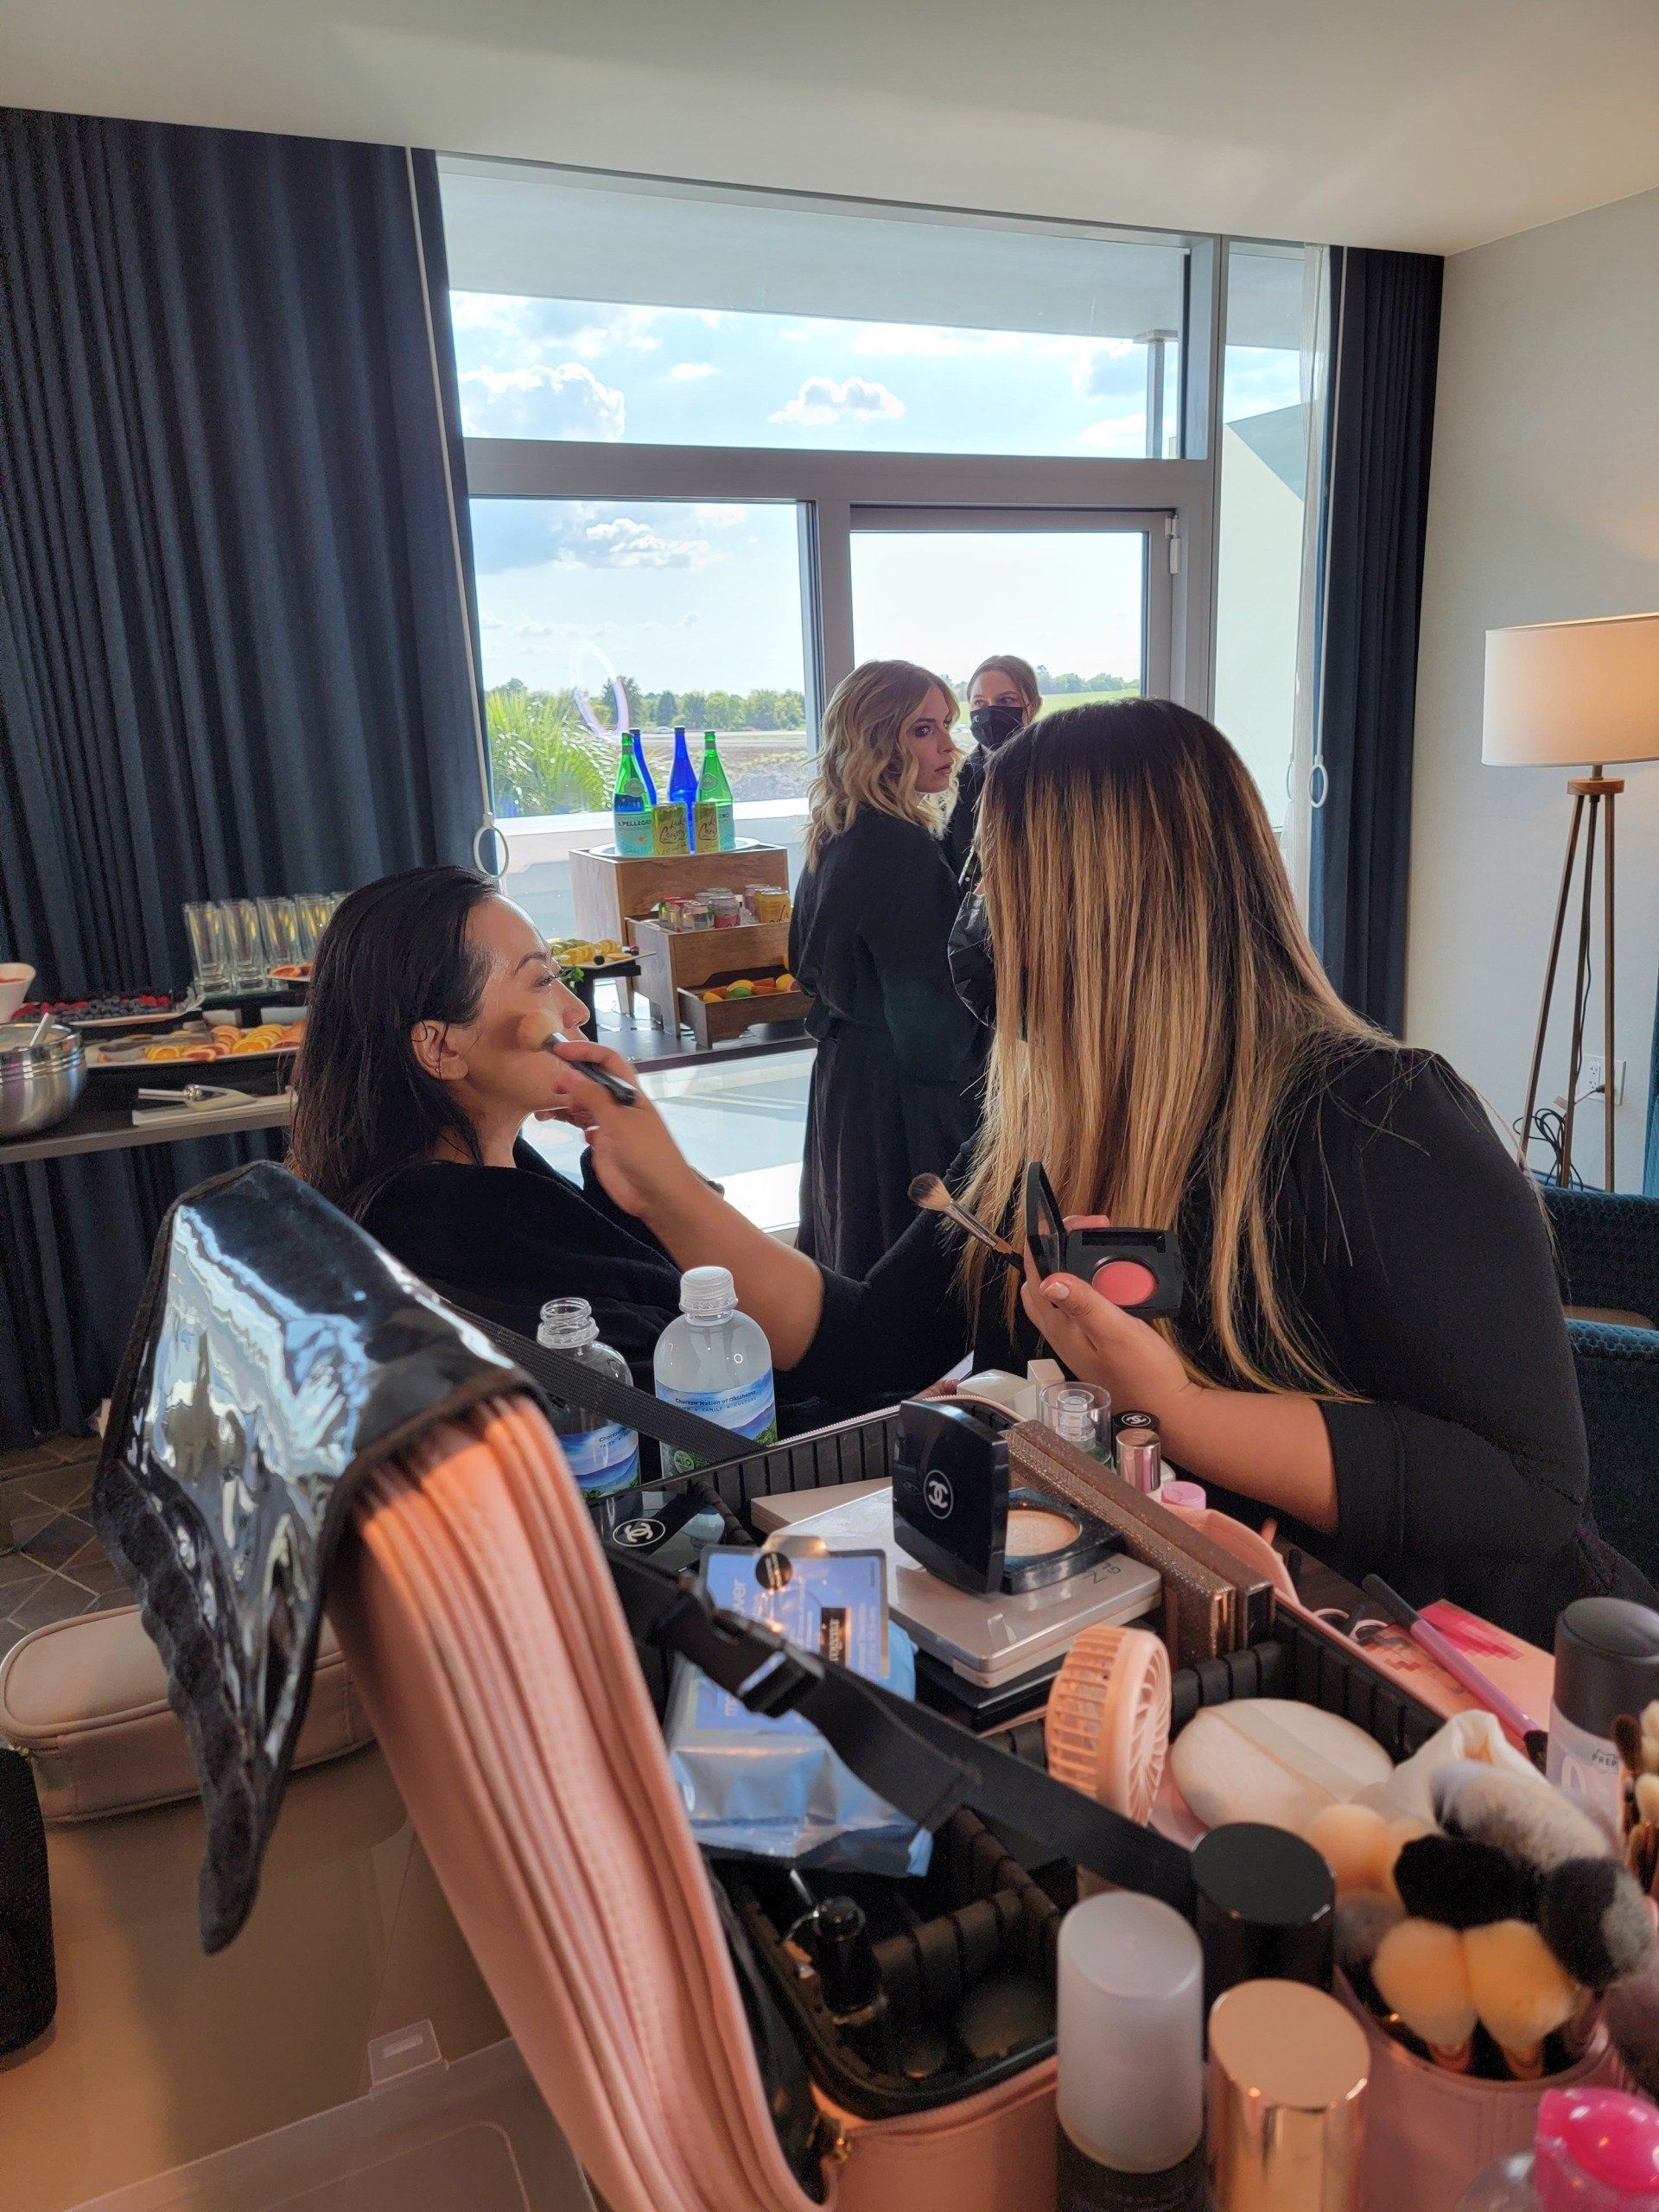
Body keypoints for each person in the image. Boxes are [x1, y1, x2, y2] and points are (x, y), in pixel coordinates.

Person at [540, 699, 1655, 1644]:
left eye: (998, 883)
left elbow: (1523, 1489)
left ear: (1107, 911)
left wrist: (1177, 1407)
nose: (975, 921)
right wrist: (666, 1186)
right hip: (1182, 1634)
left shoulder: (1381, 1121)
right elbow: (865, 1340)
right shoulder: (1049, 1123)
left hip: (1447, 1676)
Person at [286, 865, 694, 1382]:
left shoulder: (455, 1194)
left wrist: (647, 1186)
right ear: (441, 1048)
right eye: (542, 981)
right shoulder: (475, 1247)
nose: (576, 1011)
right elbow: (703, 1354)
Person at [787, 659, 985, 1277]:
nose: (948, 745)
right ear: (877, 741)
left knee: (852, 1248)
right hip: (901, 1101)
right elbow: (934, 1037)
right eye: (923, 729)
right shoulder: (901, 847)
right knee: (911, 1274)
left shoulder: (834, 834)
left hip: (846, 1082)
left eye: (947, 724)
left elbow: (803, 965)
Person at [943, 653, 1042, 878]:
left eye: (1006, 700)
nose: (990, 711)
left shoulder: (1053, 776)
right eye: (979, 702)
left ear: (1033, 705)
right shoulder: (955, 779)